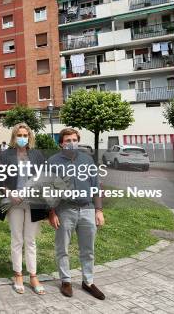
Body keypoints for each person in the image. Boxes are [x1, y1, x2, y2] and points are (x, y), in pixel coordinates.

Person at [47, 128, 105, 300]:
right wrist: (52, 212)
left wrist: (99, 210)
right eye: (67, 140)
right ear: (61, 143)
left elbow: (96, 186)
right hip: (65, 209)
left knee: (88, 249)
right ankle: (66, 280)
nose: (71, 143)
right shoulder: (52, 162)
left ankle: (88, 282)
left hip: (87, 209)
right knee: (62, 248)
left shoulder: (87, 160)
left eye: (74, 139)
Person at [0, 124, 48, 294]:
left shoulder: (37, 155)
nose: (22, 137)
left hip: (34, 202)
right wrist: (10, 194)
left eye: (25, 134)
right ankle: (18, 274)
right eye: (19, 135)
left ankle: (33, 275)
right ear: (14, 137)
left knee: (30, 240)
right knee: (17, 239)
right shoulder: (6, 155)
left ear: (30, 137)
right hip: (14, 202)